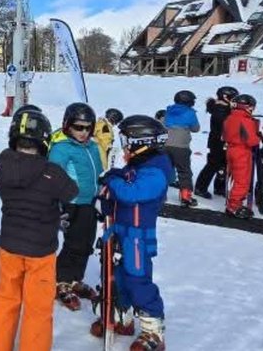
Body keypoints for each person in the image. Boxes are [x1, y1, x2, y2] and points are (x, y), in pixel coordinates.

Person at [0, 109, 78, 351]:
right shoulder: (52, 172)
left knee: (5, 299)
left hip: (10, 246)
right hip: (41, 251)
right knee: (38, 308)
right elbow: (72, 192)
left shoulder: (1, 167)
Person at [97, 115, 173, 351]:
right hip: (121, 229)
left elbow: (133, 194)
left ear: (143, 143)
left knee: (137, 280)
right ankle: (122, 317)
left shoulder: (157, 170)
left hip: (138, 236)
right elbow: (121, 188)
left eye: (127, 141)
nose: (125, 147)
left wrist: (113, 180)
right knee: (116, 277)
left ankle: (153, 329)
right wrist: (106, 195)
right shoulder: (138, 166)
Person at [49, 102, 105, 310]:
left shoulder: (92, 146)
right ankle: (61, 281)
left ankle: (74, 279)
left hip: (89, 202)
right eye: (78, 127)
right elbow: (53, 177)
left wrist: (101, 192)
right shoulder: (62, 148)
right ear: (67, 126)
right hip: (71, 203)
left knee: (86, 243)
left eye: (87, 128)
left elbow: (97, 172)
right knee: (73, 243)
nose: (83, 132)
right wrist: (56, 203)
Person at [195, 86, 238, 199]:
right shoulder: (219, 109)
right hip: (218, 141)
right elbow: (224, 124)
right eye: (233, 98)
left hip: (224, 140)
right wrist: (232, 112)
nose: (234, 101)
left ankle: (219, 187)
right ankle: (200, 187)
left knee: (224, 164)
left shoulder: (225, 108)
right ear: (225, 97)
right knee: (213, 164)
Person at [223, 94, 260, 219]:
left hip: (231, 148)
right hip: (242, 151)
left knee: (235, 177)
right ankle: (234, 205)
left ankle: (233, 202)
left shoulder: (230, 117)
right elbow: (251, 140)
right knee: (242, 180)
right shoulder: (245, 120)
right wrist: (258, 137)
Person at [163, 90, 200, 207]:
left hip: (165, 144)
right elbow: (196, 128)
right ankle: (185, 196)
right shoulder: (190, 113)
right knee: (184, 171)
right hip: (181, 147)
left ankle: (160, 194)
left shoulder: (169, 110)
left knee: (165, 170)